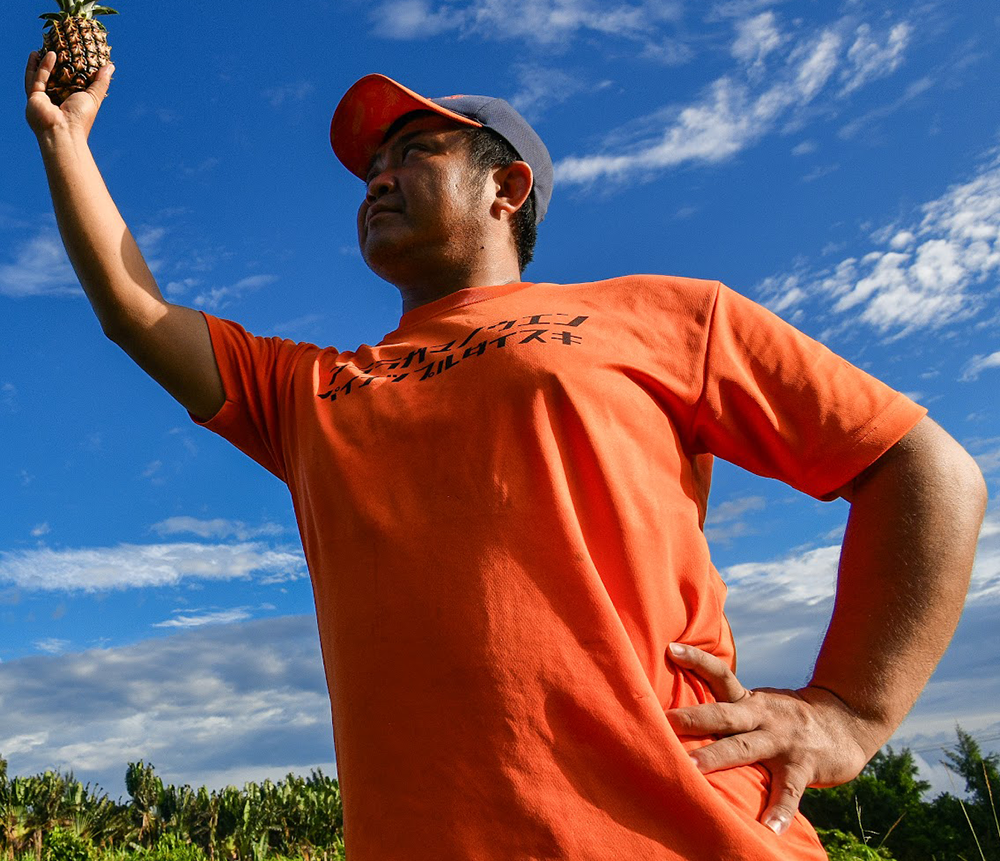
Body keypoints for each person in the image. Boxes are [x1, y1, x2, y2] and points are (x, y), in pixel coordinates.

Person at [25, 52, 986, 861]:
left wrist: (849, 714)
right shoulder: (312, 391)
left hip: (685, 839)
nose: (377, 179)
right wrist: (66, 138)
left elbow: (923, 468)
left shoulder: (665, 316)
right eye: (369, 170)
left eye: (412, 153)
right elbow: (134, 310)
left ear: (505, 186)